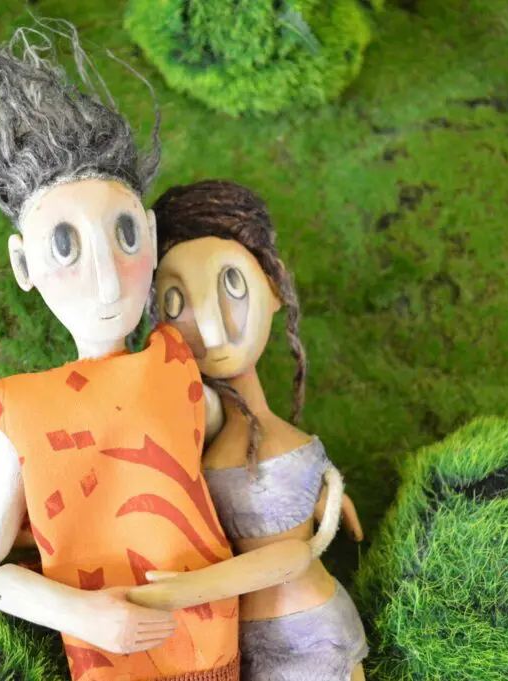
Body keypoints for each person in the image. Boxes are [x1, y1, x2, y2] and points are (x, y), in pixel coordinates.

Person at [0, 22, 243, 681]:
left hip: (214, 639)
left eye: (124, 235)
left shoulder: (177, 366)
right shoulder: (26, 411)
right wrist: (84, 613)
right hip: (111, 658)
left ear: (150, 235)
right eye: (65, 246)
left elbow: (225, 466)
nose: (108, 278)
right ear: (23, 264)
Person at [144, 179, 369, 681]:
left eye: (231, 284)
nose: (213, 329)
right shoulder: (200, 432)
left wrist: (189, 590)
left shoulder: (267, 439)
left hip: (316, 628)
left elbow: (290, 555)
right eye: (175, 301)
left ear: (273, 285)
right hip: (248, 644)